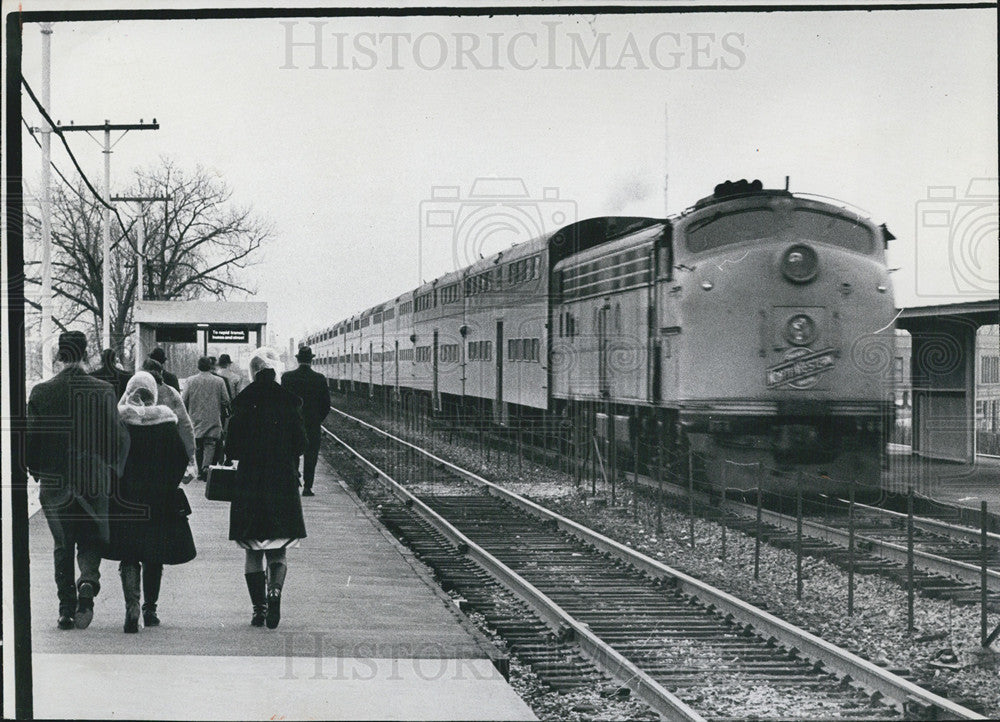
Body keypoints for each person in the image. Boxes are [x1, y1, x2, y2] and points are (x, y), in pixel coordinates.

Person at [26, 331, 130, 630]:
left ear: (60, 355)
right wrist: (112, 470)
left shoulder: (41, 392)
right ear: (85, 354)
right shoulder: (103, 390)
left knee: (62, 544)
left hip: (55, 480)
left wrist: (35, 469)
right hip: (93, 477)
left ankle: (66, 609)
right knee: (90, 534)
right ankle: (88, 581)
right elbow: (115, 437)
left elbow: (31, 440)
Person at [106, 372, 196, 632]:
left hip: (126, 498)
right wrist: (168, 483)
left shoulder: (119, 421)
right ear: (153, 394)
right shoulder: (166, 422)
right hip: (159, 499)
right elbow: (180, 458)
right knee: (153, 554)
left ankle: (131, 604)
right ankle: (150, 608)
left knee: (129, 553)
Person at [226, 347, 307, 629]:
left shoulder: (243, 401)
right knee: (278, 550)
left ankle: (258, 610)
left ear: (253, 371)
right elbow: (301, 444)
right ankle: (275, 591)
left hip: (249, 481)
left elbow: (231, 447)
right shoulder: (290, 402)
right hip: (282, 481)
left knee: (252, 551)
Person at [281, 346, 331, 497]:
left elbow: (283, 401)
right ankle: (308, 487)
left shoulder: (287, 377)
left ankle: (294, 480)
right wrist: (316, 419)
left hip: (292, 423)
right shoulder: (319, 378)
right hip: (312, 424)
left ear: (297, 359)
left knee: (292, 453)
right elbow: (326, 405)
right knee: (311, 455)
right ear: (311, 359)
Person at [143, 358, 197, 477]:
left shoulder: (135, 392)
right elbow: (185, 425)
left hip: (142, 449)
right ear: (161, 373)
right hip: (168, 448)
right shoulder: (171, 392)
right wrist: (191, 458)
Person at [182, 356, 231, 479]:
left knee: (198, 444)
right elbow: (226, 400)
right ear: (210, 367)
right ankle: (206, 467)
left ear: (198, 366)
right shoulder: (219, 381)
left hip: (195, 418)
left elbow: (184, 400)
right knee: (210, 444)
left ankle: (199, 470)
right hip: (213, 417)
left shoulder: (190, 380)